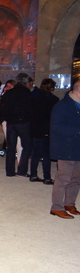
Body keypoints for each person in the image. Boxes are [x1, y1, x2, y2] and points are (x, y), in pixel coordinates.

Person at [49, 77, 80, 219]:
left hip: (77, 148)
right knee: (63, 179)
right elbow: (56, 127)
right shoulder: (62, 106)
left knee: (76, 179)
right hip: (65, 148)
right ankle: (57, 207)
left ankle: (69, 204)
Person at [0, 73, 33, 177]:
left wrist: (8, 118)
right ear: (26, 82)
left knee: (10, 147)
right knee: (27, 146)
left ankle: (9, 171)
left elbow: (3, 107)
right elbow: (30, 109)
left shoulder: (9, 93)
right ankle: (22, 170)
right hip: (23, 123)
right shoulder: (27, 93)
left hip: (11, 123)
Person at [29, 78, 59, 184]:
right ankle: (47, 177)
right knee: (46, 155)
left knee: (36, 154)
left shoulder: (34, 98)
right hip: (47, 129)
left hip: (35, 128)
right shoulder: (54, 100)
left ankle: (33, 175)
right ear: (51, 87)